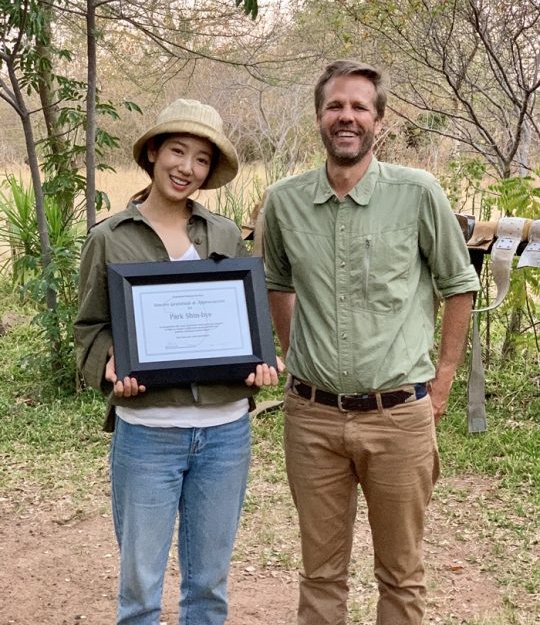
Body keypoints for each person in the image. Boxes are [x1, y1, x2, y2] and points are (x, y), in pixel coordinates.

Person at [262, 60, 480, 625]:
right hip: (311, 419)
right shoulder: (283, 202)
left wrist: (441, 386)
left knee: (401, 575)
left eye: (360, 107)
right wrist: (295, 355)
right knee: (320, 573)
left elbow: (459, 286)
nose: (347, 117)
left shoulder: (418, 193)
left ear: (379, 121)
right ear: (318, 117)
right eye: (336, 106)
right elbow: (277, 284)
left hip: (399, 416)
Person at [74, 98, 279, 625]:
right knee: (141, 592)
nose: (187, 167)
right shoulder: (110, 237)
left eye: (202, 159)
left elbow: (243, 322)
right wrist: (108, 366)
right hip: (147, 434)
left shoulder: (226, 234)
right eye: (177, 151)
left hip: (225, 433)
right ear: (153, 153)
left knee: (208, 588)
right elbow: (89, 329)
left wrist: (256, 364)